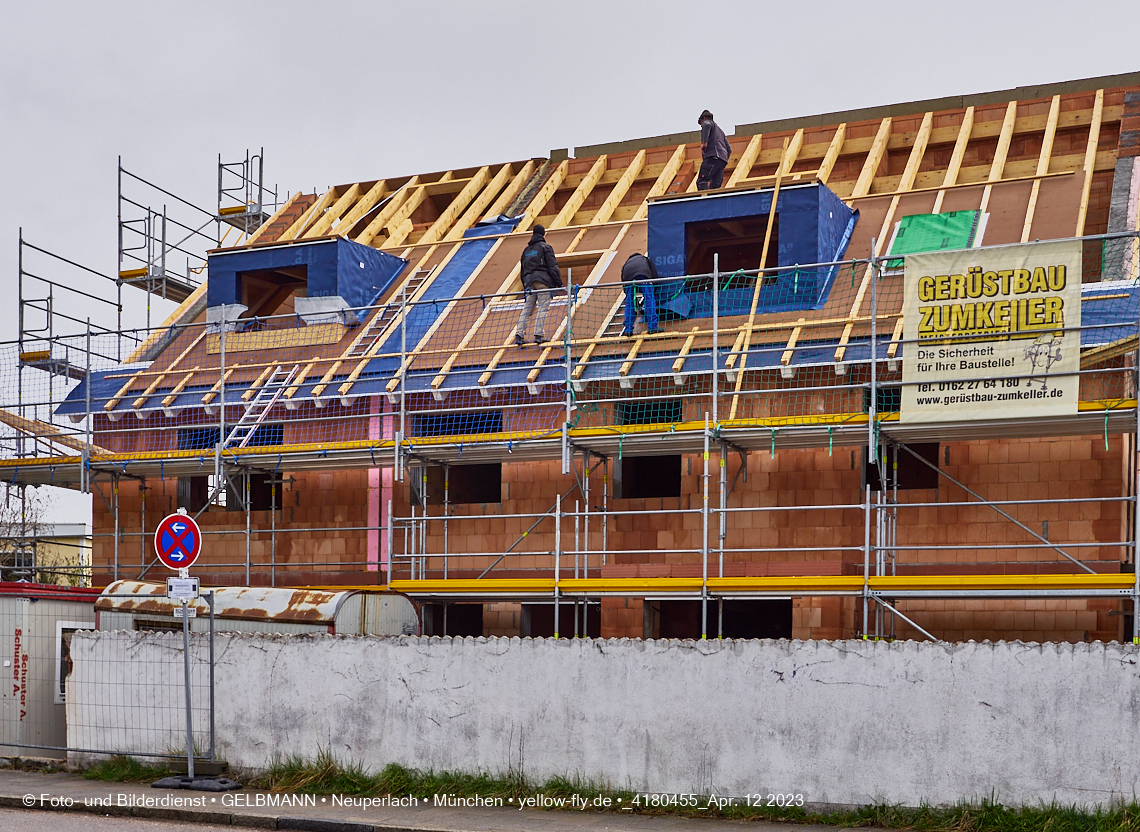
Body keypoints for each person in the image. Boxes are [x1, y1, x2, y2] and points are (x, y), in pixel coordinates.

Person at [513, 224, 562, 346]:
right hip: (542, 281)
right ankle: (539, 334)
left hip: (530, 283)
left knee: (527, 309)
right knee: (543, 307)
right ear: (543, 234)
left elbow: (523, 270)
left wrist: (526, 285)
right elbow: (553, 267)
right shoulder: (545, 247)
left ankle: (519, 335)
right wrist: (559, 283)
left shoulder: (526, 251)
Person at [620, 252, 659, 337]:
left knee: (629, 302)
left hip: (628, 278)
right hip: (643, 275)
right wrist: (653, 289)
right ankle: (653, 328)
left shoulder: (627, 263)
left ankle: (628, 330)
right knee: (649, 299)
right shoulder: (645, 260)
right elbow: (655, 277)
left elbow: (623, 282)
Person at [697, 109, 731, 191]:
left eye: (701, 124)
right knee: (715, 187)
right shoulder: (721, 132)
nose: (702, 126)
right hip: (721, 161)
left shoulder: (707, 123)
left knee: (702, 181)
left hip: (712, 157)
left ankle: (705, 202)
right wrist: (724, 159)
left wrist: (704, 143)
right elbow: (729, 149)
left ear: (704, 118)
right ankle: (713, 202)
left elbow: (706, 124)